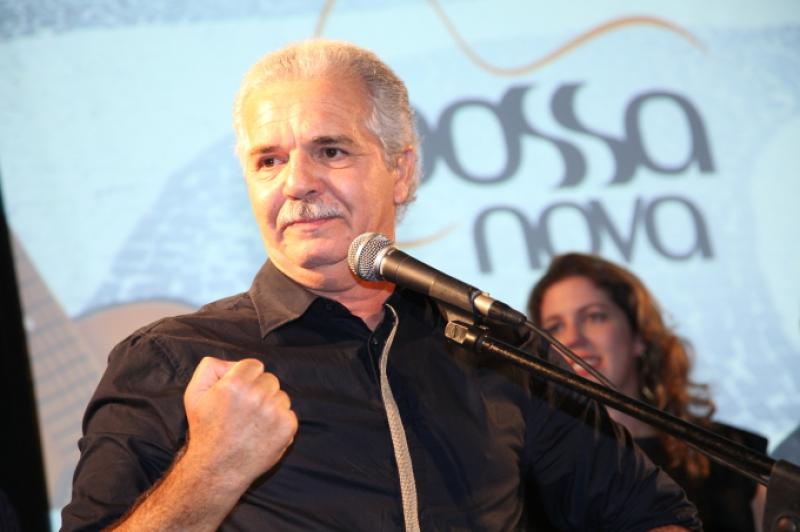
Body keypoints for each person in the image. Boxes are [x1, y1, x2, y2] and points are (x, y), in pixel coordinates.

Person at [61, 40, 701, 531]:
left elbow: (650, 514)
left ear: (401, 171)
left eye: (331, 151)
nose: (296, 183)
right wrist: (210, 472)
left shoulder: (495, 347)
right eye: (269, 160)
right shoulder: (173, 360)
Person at [528, 252, 768, 532]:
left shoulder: (731, 457)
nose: (572, 339)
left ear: (639, 335)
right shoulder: (531, 475)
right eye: (554, 327)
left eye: (594, 316)